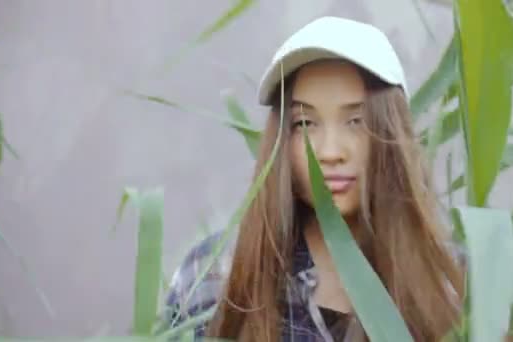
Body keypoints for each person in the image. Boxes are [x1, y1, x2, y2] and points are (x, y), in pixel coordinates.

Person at [163, 16, 465, 341]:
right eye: (305, 124)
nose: (330, 152)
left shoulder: (451, 281)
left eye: (356, 121)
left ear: (390, 130)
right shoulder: (213, 274)